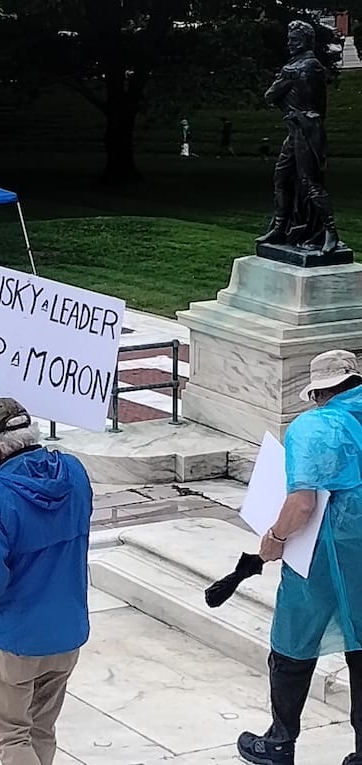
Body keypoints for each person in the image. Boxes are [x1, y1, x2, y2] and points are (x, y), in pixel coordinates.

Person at [237, 350, 362, 765]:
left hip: (324, 552)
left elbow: (303, 503)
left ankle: (279, 741)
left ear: (318, 391)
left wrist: (274, 537)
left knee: (292, 640)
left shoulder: (313, 427)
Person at [0, 397, 93, 765]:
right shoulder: (75, 473)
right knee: (41, 729)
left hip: (13, 640)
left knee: (13, 736)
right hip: (66, 635)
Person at [256, 21, 340, 256]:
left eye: (294, 39)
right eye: (289, 38)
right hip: (295, 130)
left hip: (306, 131)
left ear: (305, 41)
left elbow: (271, 95)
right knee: (281, 177)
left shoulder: (305, 67)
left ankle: (330, 232)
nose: (289, 43)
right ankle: (281, 226)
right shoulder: (299, 66)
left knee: (311, 183)